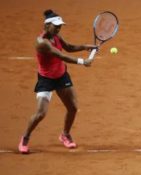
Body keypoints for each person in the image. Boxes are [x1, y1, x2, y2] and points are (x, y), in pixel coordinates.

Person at [18, 9, 97, 154]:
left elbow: (69, 48)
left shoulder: (56, 36)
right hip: (46, 80)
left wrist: (85, 46)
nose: (58, 28)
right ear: (47, 25)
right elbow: (62, 56)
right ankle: (25, 137)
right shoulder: (42, 43)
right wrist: (83, 61)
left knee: (73, 108)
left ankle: (65, 135)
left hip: (61, 76)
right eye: (56, 26)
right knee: (41, 113)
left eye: (60, 25)